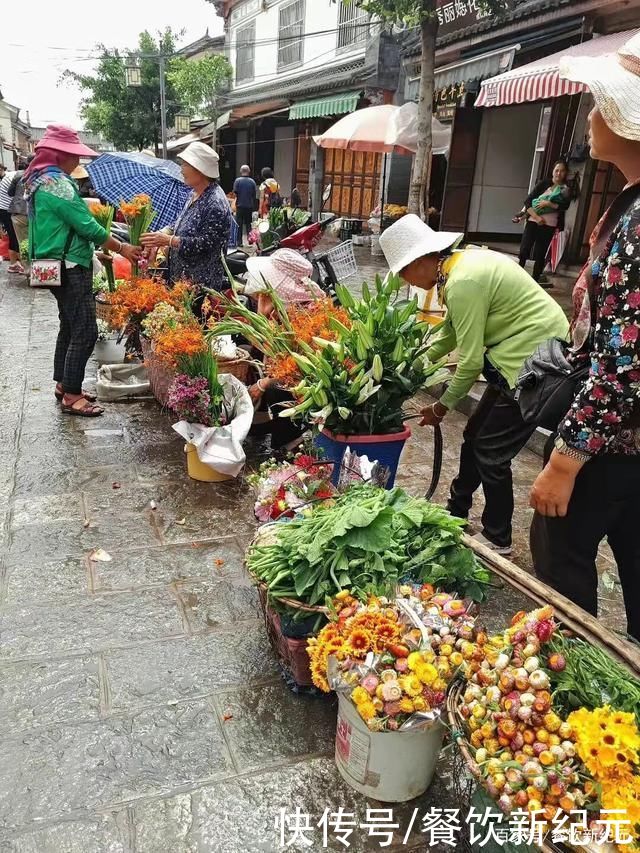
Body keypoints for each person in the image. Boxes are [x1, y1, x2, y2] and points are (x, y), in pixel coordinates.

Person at [529, 33, 640, 641]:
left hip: (613, 446)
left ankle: (582, 690)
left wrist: (566, 460)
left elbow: (624, 364)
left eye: (603, 104)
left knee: (560, 564)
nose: (592, 117)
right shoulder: (627, 202)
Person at [379, 214, 569, 555]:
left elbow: (468, 362)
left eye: (404, 271)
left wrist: (442, 406)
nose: (405, 279)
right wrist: (409, 363)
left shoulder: (463, 281)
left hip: (533, 366)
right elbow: (450, 335)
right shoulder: (456, 269)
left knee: (492, 452)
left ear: (421, 259)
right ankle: (457, 510)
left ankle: (499, 537)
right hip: (513, 358)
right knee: (474, 436)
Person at [25, 125, 141, 417]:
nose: (78, 161)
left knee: (68, 323)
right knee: (86, 330)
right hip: (69, 266)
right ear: (60, 154)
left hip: (55, 264)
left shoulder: (40, 181)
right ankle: (73, 396)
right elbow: (86, 225)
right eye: (74, 155)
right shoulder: (59, 185)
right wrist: (121, 247)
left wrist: (92, 248)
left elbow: (62, 227)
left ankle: (64, 385)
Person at [244, 248, 324, 450]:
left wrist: (263, 384)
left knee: (277, 389)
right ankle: (260, 421)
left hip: (311, 380)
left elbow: (298, 364)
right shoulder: (283, 306)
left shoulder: (310, 311)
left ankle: (291, 443)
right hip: (290, 368)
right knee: (251, 356)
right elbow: (264, 344)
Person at [141, 141, 231, 293]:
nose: (181, 170)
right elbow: (181, 222)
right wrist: (162, 233)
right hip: (182, 280)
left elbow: (205, 243)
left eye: (184, 165)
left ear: (199, 169)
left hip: (200, 285)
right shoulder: (194, 194)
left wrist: (168, 241)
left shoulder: (215, 202)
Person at [516, 160, 571, 285]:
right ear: (552, 171)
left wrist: (549, 204)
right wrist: (536, 217)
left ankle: (534, 281)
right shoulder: (544, 183)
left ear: (566, 173)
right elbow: (528, 200)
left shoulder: (565, 190)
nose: (558, 173)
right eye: (557, 170)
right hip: (533, 221)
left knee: (540, 254)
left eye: (562, 171)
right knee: (525, 249)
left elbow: (564, 206)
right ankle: (517, 274)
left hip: (549, 225)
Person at [7, 155, 34, 256]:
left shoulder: (19, 175)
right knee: (36, 242)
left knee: (23, 242)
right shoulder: (43, 175)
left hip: (19, 212)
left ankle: (28, 269)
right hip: (37, 214)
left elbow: (10, 193)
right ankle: (38, 267)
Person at [0, 167, 23, 273]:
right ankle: (18, 264)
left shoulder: (14, 175)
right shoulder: (19, 176)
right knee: (15, 237)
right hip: (6, 209)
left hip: (4, 209)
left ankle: (14, 264)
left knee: (13, 236)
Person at [233, 165, 257, 246]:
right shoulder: (252, 182)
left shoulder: (237, 181)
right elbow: (254, 194)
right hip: (249, 206)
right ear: (249, 171)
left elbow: (235, 193)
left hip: (239, 205)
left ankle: (239, 242)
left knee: (239, 224)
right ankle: (250, 240)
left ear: (241, 171)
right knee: (248, 224)